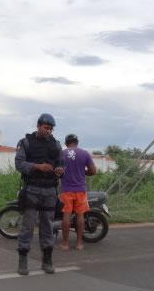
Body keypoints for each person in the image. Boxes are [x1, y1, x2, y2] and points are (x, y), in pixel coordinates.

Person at [14, 113, 64, 275]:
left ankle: (47, 261)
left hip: (50, 190)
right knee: (27, 226)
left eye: (50, 129)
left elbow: (62, 165)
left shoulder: (56, 145)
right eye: (46, 128)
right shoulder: (26, 142)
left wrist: (59, 170)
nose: (48, 131)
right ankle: (23, 261)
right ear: (38, 125)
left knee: (47, 227)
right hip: (32, 190)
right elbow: (19, 164)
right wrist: (37, 166)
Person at [59, 134, 96, 251]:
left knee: (66, 216)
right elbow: (93, 171)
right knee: (80, 216)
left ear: (66, 143)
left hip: (66, 190)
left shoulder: (61, 154)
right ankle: (79, 244)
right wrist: (83, 172)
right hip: (80, 190)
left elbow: (57, 171)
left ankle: (65, 244)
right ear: (77, 142)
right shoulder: (84, 154)